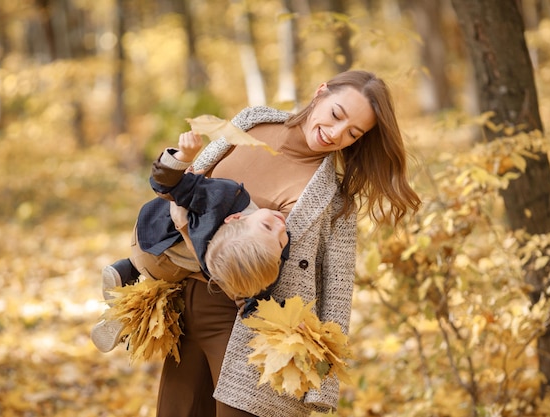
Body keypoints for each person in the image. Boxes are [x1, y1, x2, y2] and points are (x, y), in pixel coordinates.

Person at [154, 70, 422, 417]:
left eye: (353, 133)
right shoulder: (252, 123)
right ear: (321, 91)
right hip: (185, 304)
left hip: (251, 323)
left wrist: (322, 383)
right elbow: (182, 185)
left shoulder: (336, 200)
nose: (336, 133)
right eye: (337, 114)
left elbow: (336, 293)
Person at [91, 131, 289, 353]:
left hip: (158, 252)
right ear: (233, 218)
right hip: (156, 239)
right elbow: (252, 304)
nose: (281, 227)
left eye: (281, 243)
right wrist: (184, 155)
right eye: (268, 228)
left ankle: (125, 293)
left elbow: (167, 183)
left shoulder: (250, 253)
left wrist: (285, 327)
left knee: (170, 287)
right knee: (180, 282)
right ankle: (129, 288)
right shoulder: (223, 202)